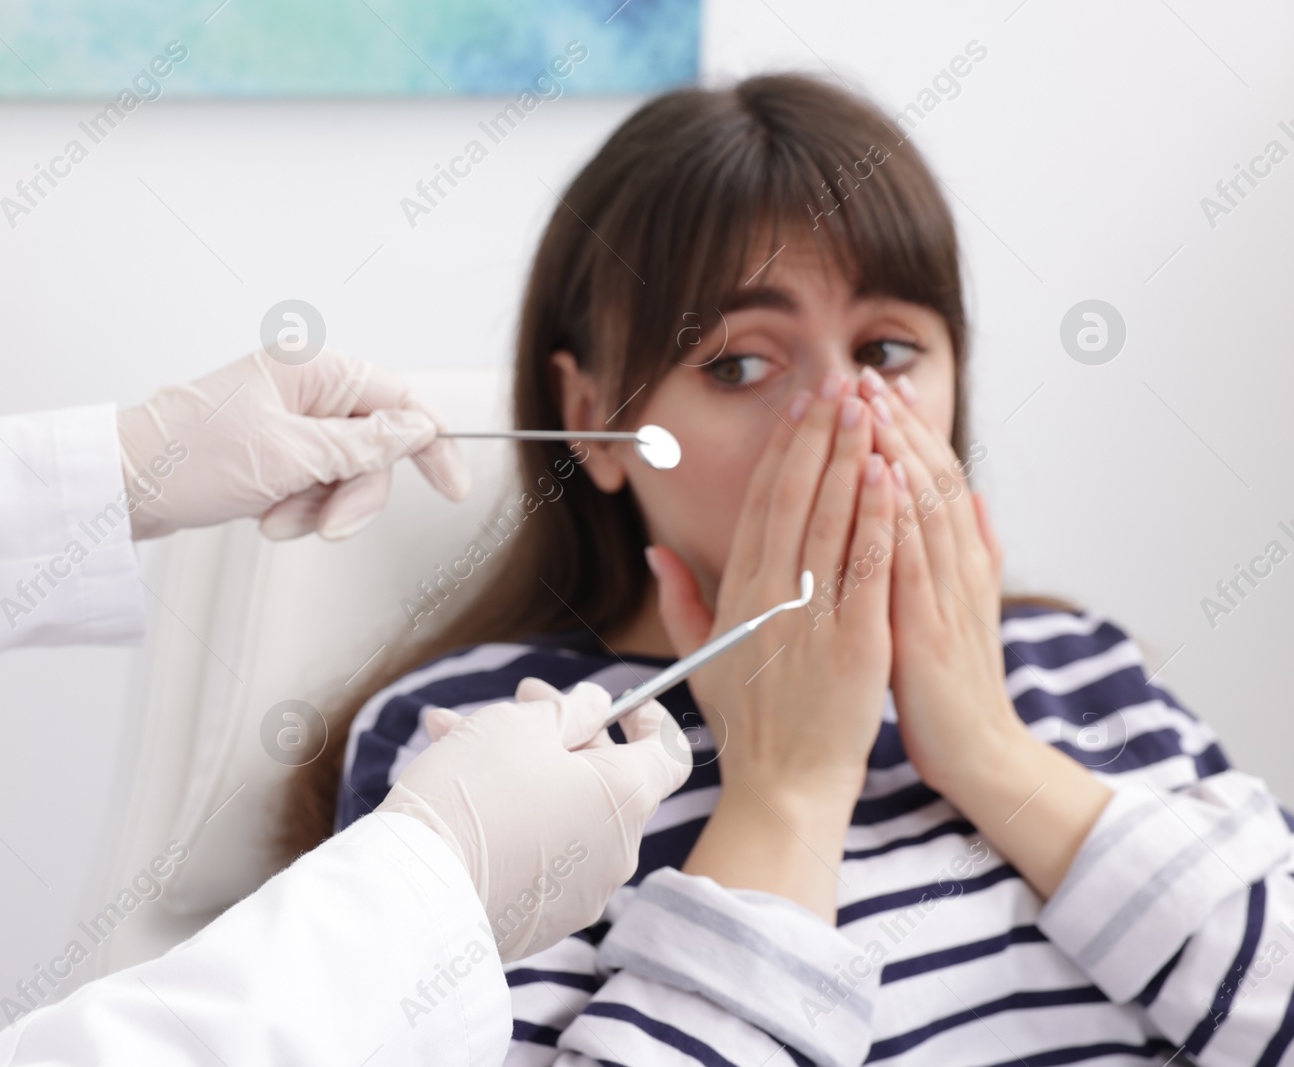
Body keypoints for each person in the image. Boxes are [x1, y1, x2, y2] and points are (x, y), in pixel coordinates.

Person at [297, 75, 1294, 1067]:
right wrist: (787, 796)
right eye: (738, 364)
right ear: (594, 417)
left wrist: (993, 752)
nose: (843, 412)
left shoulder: (1083, 671)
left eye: (888, 349)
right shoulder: (476, 744)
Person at [0, 347, 690, 1066]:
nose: (841, 414)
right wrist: (434, 881)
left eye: (861, 347)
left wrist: (128, 467)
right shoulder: (436, 719)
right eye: (736, 364)